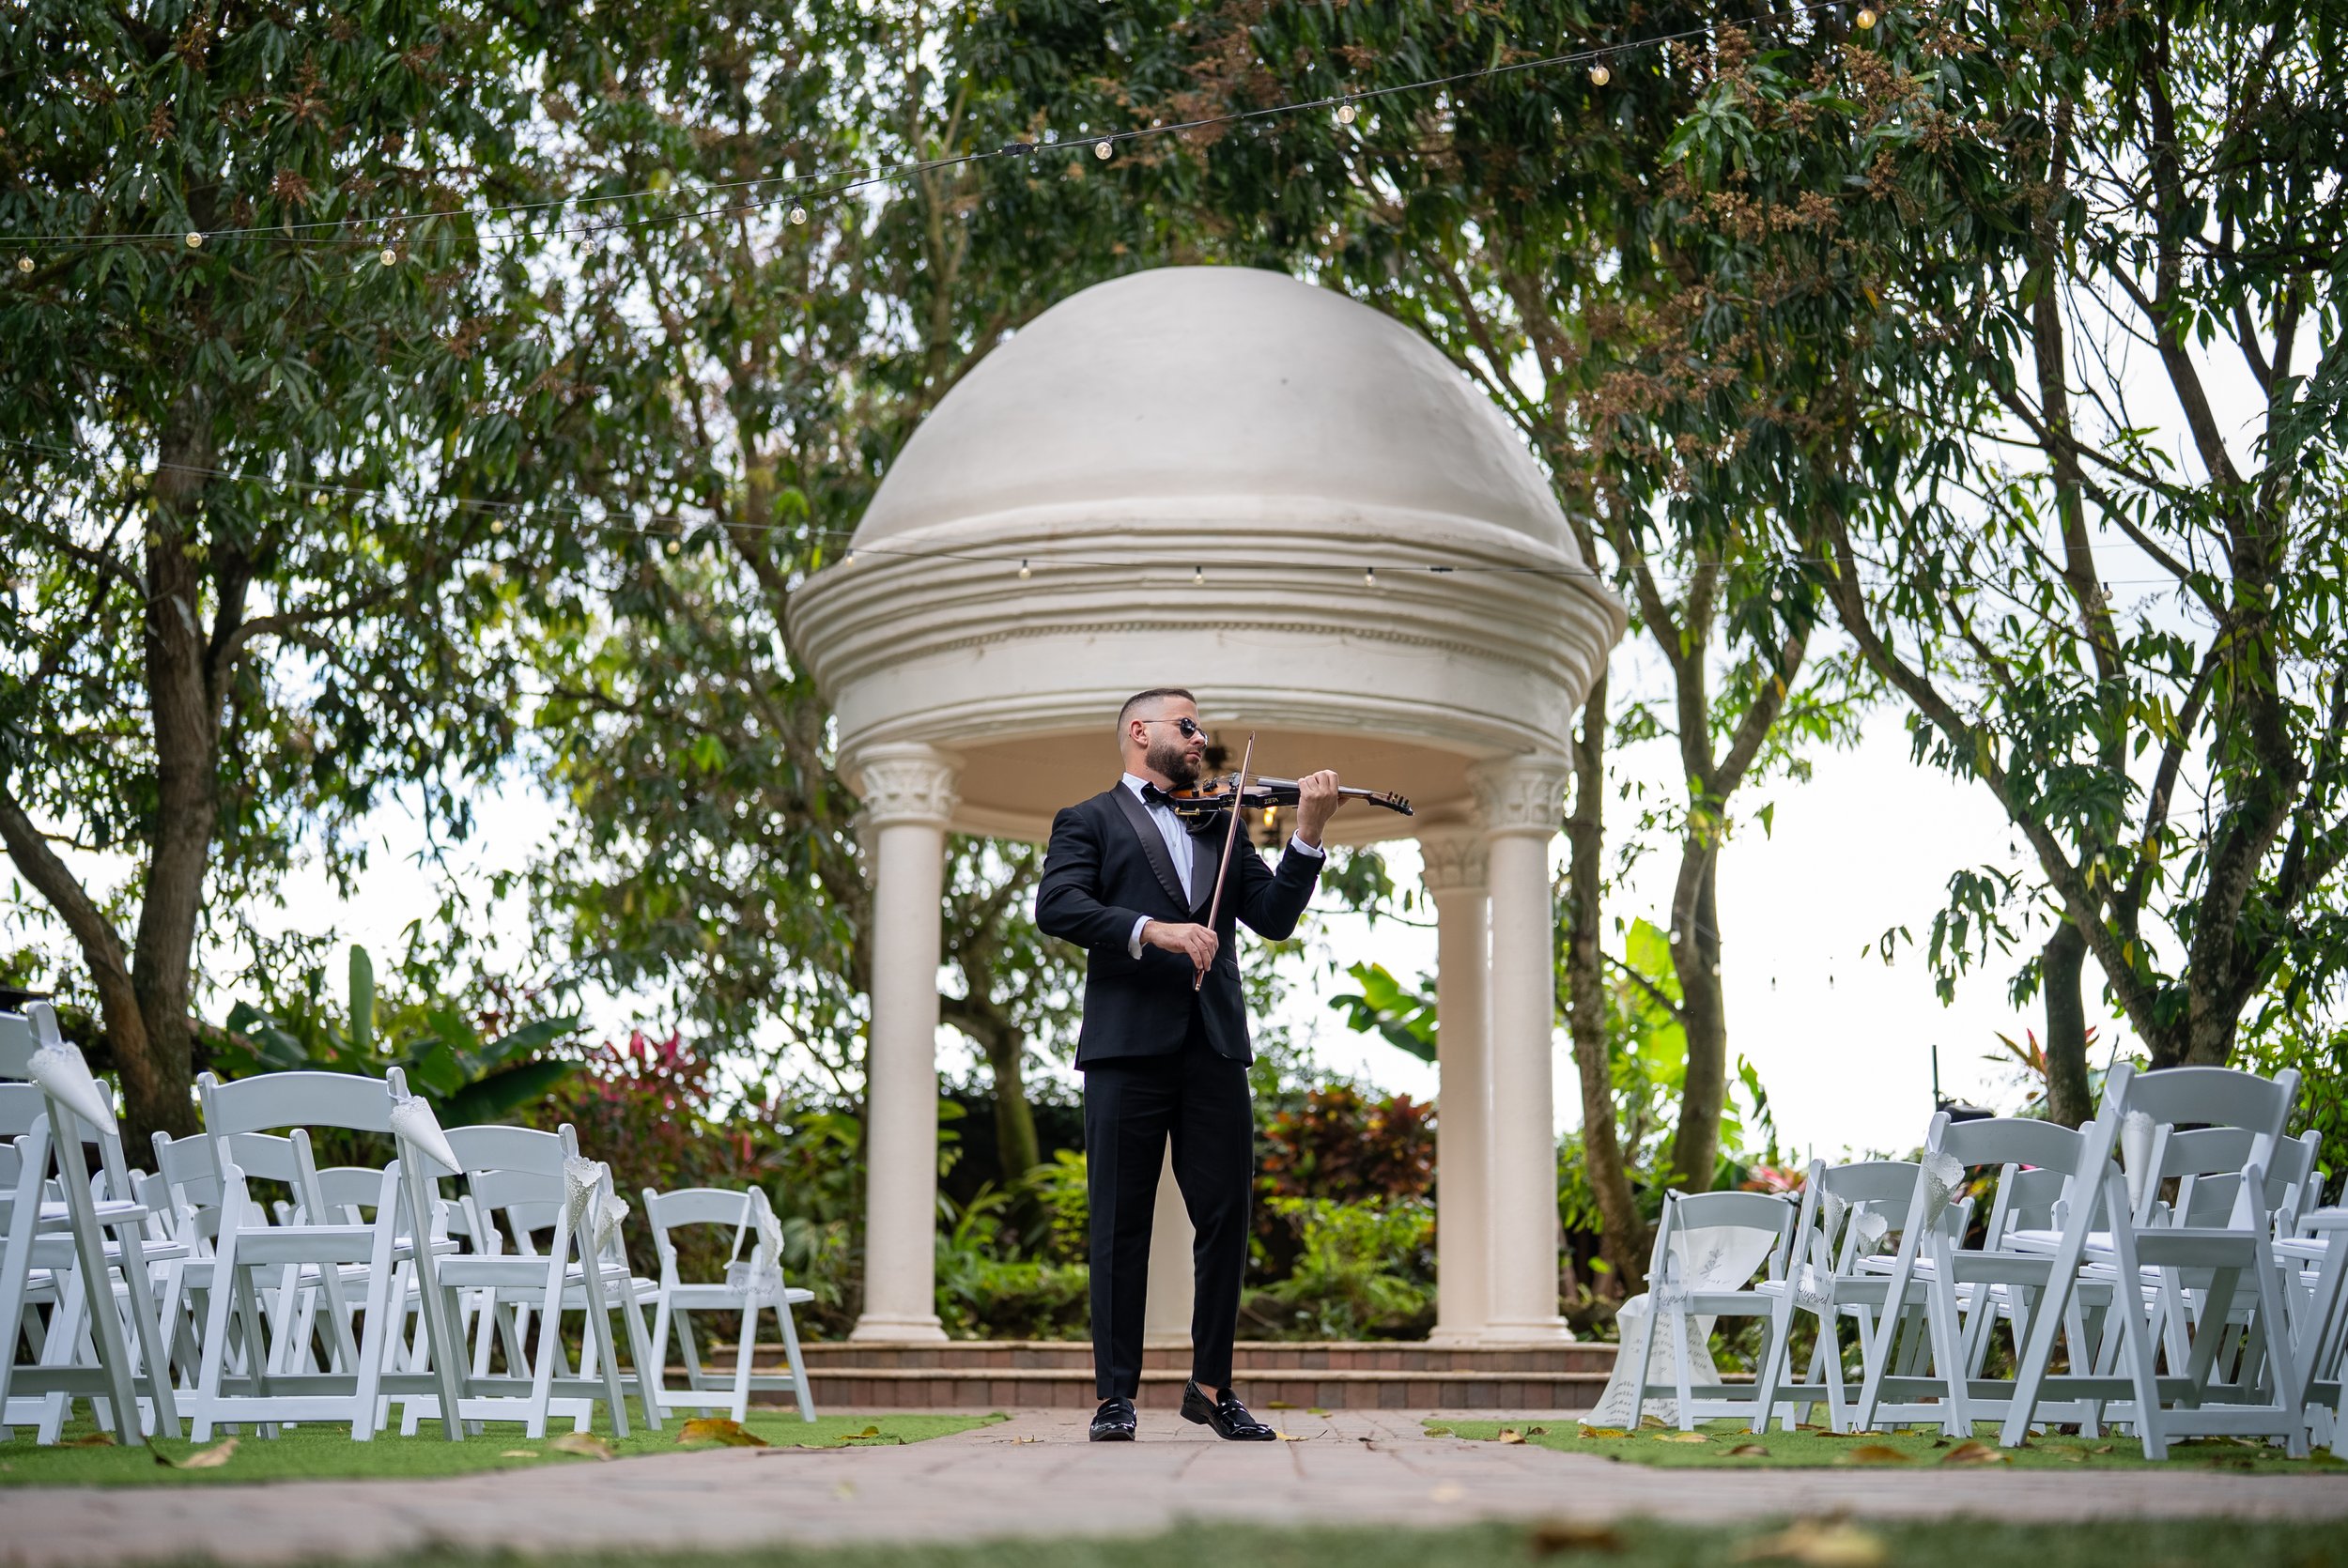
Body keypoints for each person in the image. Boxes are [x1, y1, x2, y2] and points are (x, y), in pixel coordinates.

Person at [1035, 687, 1345, 1442]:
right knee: (1118, 1225)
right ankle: (1115, 1396)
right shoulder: (1088, 820)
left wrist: (1306, 834)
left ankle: (1212, 1386)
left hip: (1213, 1046)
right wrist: (1156, 931)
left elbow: (1270, 919)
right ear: (1140, 733)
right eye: (1188, 725)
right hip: (1124, 1050)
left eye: (1201, 726)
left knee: (1227, 1220)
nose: (1202, 738)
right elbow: (1058, 906)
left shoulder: (1222, 823)